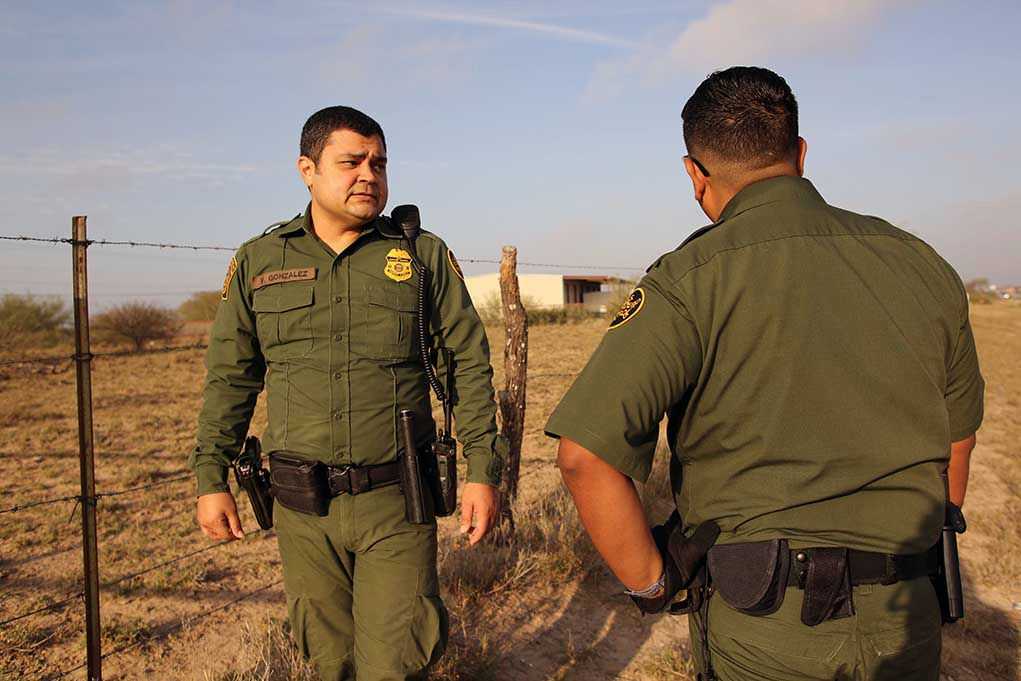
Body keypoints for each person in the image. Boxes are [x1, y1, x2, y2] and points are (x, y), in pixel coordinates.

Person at [545, 67, 983, 681]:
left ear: (694, 175)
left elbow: (583, 457)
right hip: (905, 618)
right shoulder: (923, 265)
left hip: (764, 628)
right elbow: (956, 441)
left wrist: (652, 584)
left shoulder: (690, 278)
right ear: (800, 154)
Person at [189, 106, 504, 681]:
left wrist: (483, 468)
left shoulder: (420, 255)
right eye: (351, 162)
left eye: (379, 163)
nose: (369, 175)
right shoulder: (261, 261)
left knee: (396, 662)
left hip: (395, 499)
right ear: (307, 169)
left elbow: (467, 366)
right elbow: (231, 378)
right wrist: (211, 477)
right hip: (302, 508)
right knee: (327, 661)